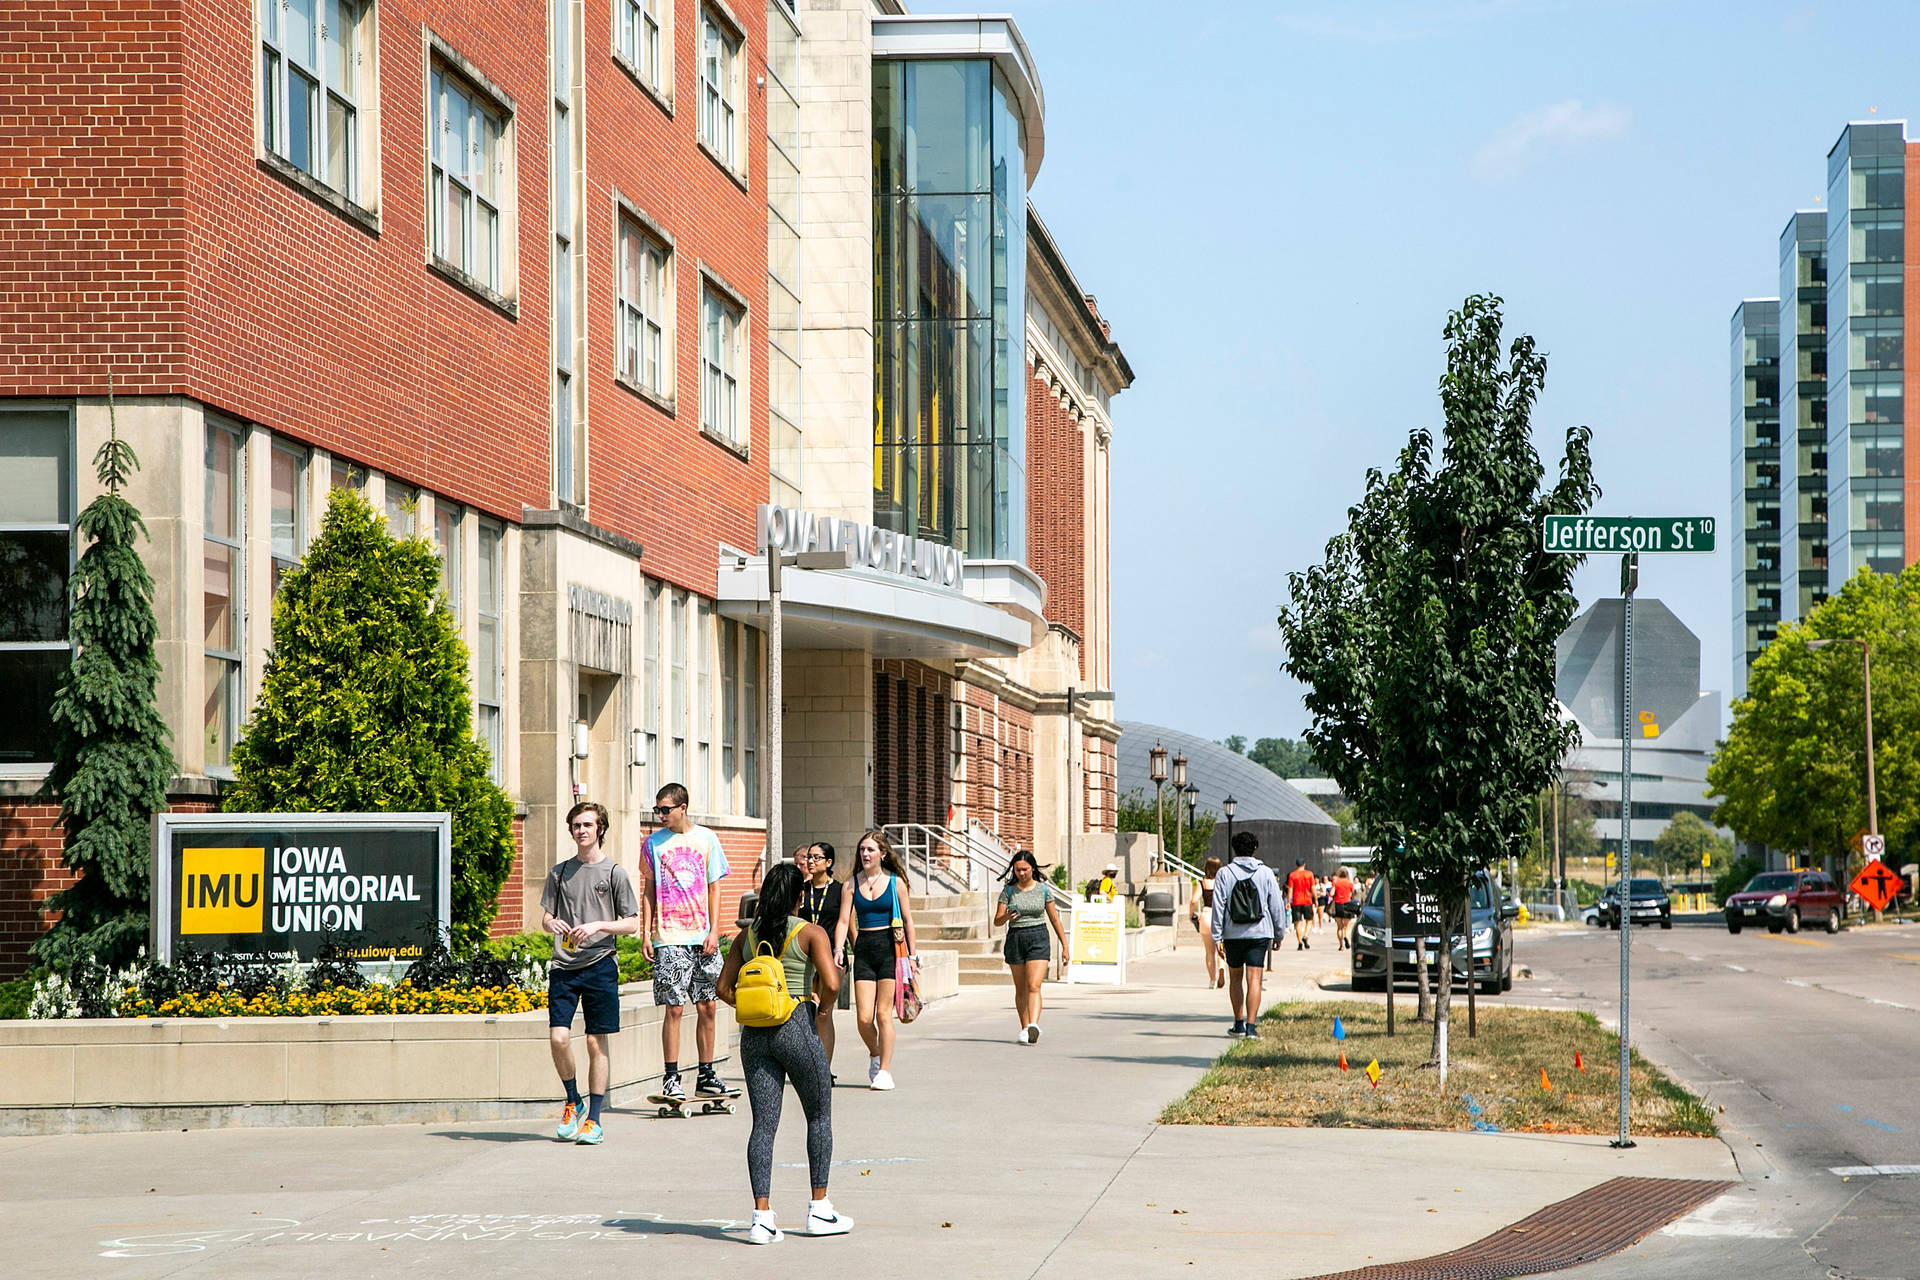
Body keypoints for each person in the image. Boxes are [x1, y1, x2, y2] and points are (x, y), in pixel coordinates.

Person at [716, 862, 852, 1244]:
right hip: (796, 1024)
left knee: (763, 1125)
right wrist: (821, 1009)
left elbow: (724, 988)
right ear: (799, 895)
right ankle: (819, 1209)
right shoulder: (810, 932)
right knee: (819, 1114)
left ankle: (761, 1218)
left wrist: (755, 1006)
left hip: (755, 1036)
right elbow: (832, 981)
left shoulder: (747, 935)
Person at [541, 801, 641, 1146]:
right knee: (558, 1038)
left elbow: (631, 923)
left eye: (587, 825)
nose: (581, 831)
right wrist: (551, 922)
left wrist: (599, 924)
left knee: (596, 1042)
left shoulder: (614, 873)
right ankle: (573, 1100)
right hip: (564, 966)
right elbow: (546, 917)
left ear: (600, 829)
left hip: (600, 965)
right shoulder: (559, 872)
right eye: (576, 826)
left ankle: (594, 1120)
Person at [640, 782, 730, 1105]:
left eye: (666, 809)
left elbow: (715, 888)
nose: (661, 815)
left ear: (683, 808)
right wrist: (646, 932)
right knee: (674, 1008)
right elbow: (648, 889)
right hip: (670, 938)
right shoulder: (652, 844)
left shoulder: (707, 839)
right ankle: (671, 1077)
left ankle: (706, 1075)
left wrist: (715, 930)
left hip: (702, 936)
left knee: (707, 1006)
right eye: (658, 809)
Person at [834, 829, 919, 1090]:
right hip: (864, 949)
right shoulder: (851, 884)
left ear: (883, 853)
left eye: (870, 850)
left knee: (884, 1014)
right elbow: (844, 920)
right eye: (862, 850)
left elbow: (907, 921)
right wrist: (839, 948)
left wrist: (913, 957)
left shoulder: (896, 883)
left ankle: (885, 1071)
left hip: (890, 949)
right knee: (863, 1018)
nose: (865, 854)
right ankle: (875, 1052)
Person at [1211, 831, 1286, 1038]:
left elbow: (1218, 906)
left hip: (1233, 934)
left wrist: (1216, 936)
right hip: (1259, 933)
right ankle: (1252, 1028)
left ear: (1234, 848)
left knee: (1236, 978)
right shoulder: (1265, 873)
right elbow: (1276, 906)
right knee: (1255, 980)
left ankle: (1238, 1023)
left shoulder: (1224, 873)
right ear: (1255, 848)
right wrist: (1279, 933)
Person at [994, 850, 1067, 1043]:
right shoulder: (1008, 891)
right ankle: (1025, 1028)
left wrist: (1065, 946)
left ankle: (1033, 1024)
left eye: (1025, 869)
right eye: (1017, 870)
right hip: (1016, 938)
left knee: (1034, 985)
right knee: (1021, 989)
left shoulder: (1043, 890)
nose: (1021, 873)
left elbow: (1055, 919)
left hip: (1038, 937)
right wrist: (1007, 917)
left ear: (1032, 868)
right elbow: (997, 921)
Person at [796, 841, 845, 1073]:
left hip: (829, 958)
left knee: (824, 1014)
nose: (811, 861)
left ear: (828, 862)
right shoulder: (801, 889)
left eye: (816, 857)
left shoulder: (840, 890)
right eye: (809, 857)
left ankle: (824, 1070)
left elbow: (847, 923)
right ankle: (809, 1067)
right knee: (806, 1013)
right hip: (803, 958)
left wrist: (847, 952)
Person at [1189, 857, 1226, 989]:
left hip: (1206, 915)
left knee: (1209, 951)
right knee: (1220, 948)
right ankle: (1222, 967)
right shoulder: (1222, 883)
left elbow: (1194, 900)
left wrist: (1191, 914)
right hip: (1220, 916)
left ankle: (1212, 980)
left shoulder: (1202, 884)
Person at [1287, 858, 1318, 950]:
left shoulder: (1292, 875)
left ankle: (1299, 942)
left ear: (1296, 865)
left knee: (1298, 923)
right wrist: (1315, 899)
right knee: (1309, 920)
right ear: (1304, 864)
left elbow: (1290, 889)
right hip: (1307, 900)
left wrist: (1288, 901)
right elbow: (1313, 888)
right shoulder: (1309, 874)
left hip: (1296, 901)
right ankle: (1305, 936)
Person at [1331, 866, 1358, 950]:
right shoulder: (1349, 883)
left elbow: (1331, 893)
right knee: (1347, 926)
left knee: (1339, 927)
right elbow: (1353, 894)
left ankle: (1341, 945)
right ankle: (1346, 936)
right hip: (1347, 905)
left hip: (1338, 905)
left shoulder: (1336, 882)